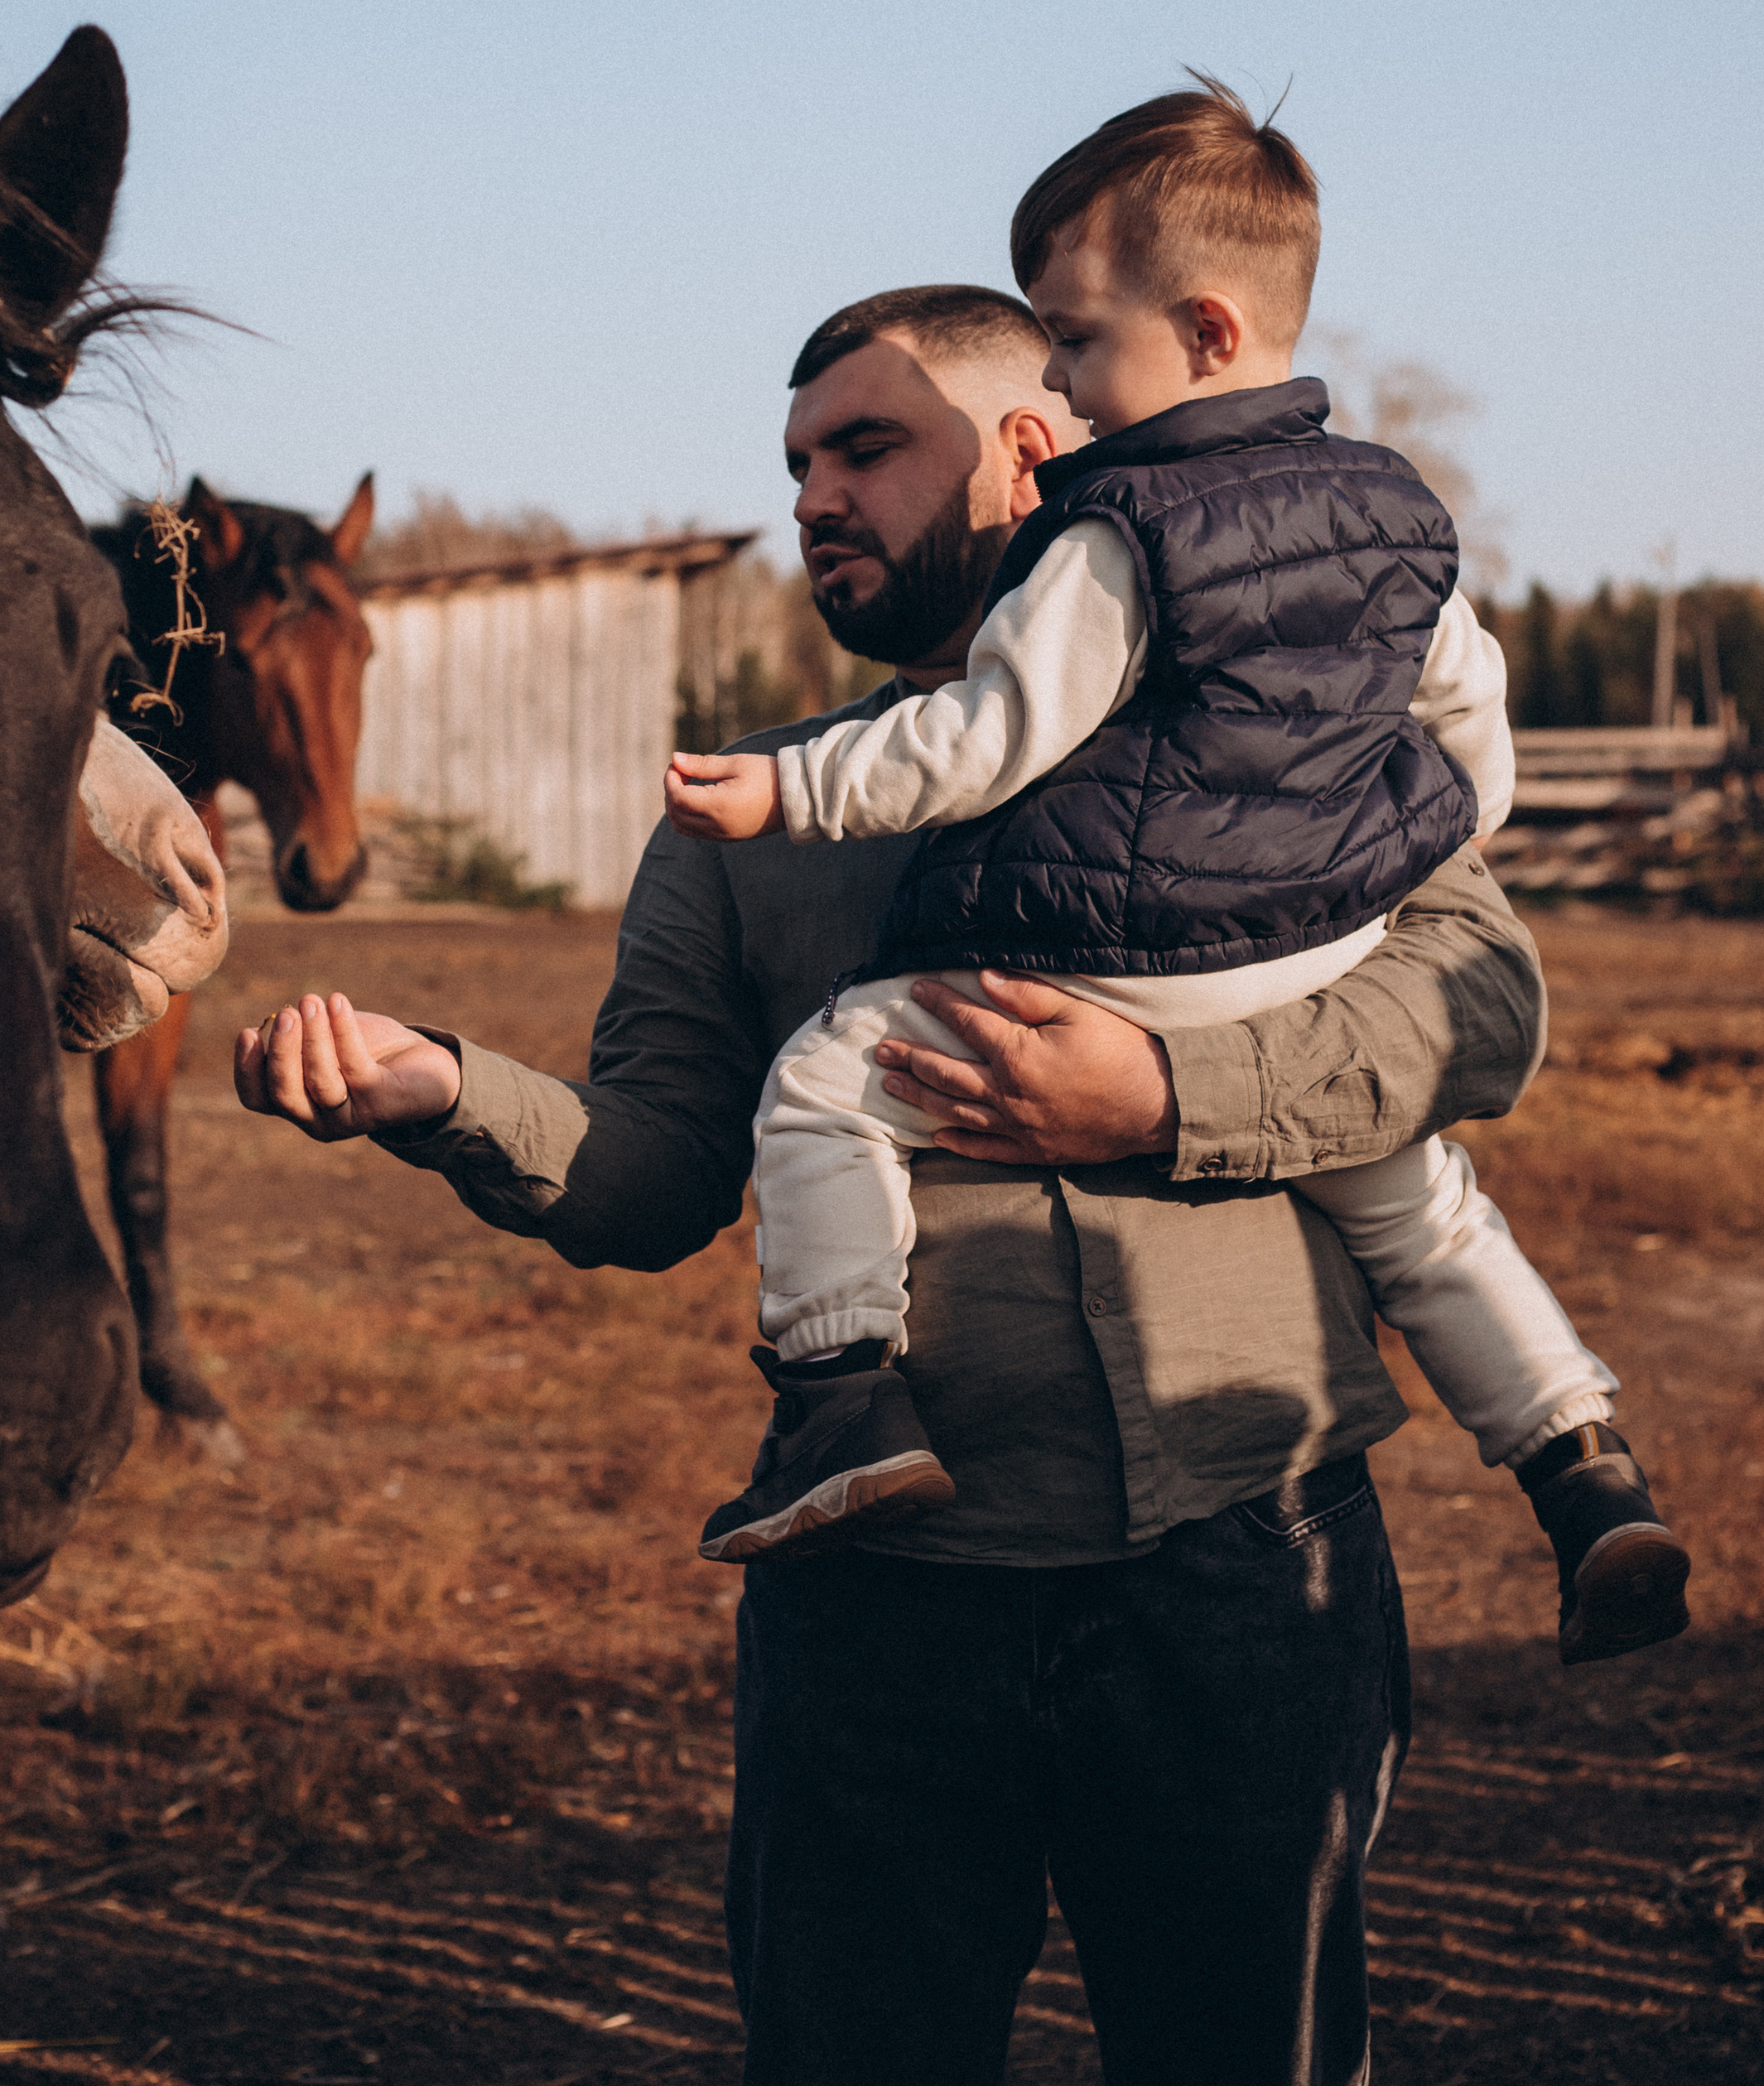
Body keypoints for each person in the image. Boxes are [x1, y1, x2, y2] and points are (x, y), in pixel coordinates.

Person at [233, 271, 1550, 2086]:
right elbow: (661, 1173)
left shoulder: (1289, 733)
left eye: (864, 448)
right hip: (878, 1597)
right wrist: (440, 1095)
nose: (811, 501)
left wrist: (1166, 1088)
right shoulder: (749, 826)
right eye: (792, 468)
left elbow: (1479, 1002)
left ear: (1032, 453)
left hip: (1242, 1566)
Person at [663, 83, 1687, 1670]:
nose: (1067, 383)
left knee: (827, 1081)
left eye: (1073, 345)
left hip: (1110, 958)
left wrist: (791, 788)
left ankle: (840, 1397)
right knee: (1424, 1212)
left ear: (1201, 331)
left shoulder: (1116, 528)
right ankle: (1582, 1468)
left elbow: (987, 736)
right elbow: (1473, 727)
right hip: (1319, 936)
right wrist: (1395, 835)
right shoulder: (1395, 513)